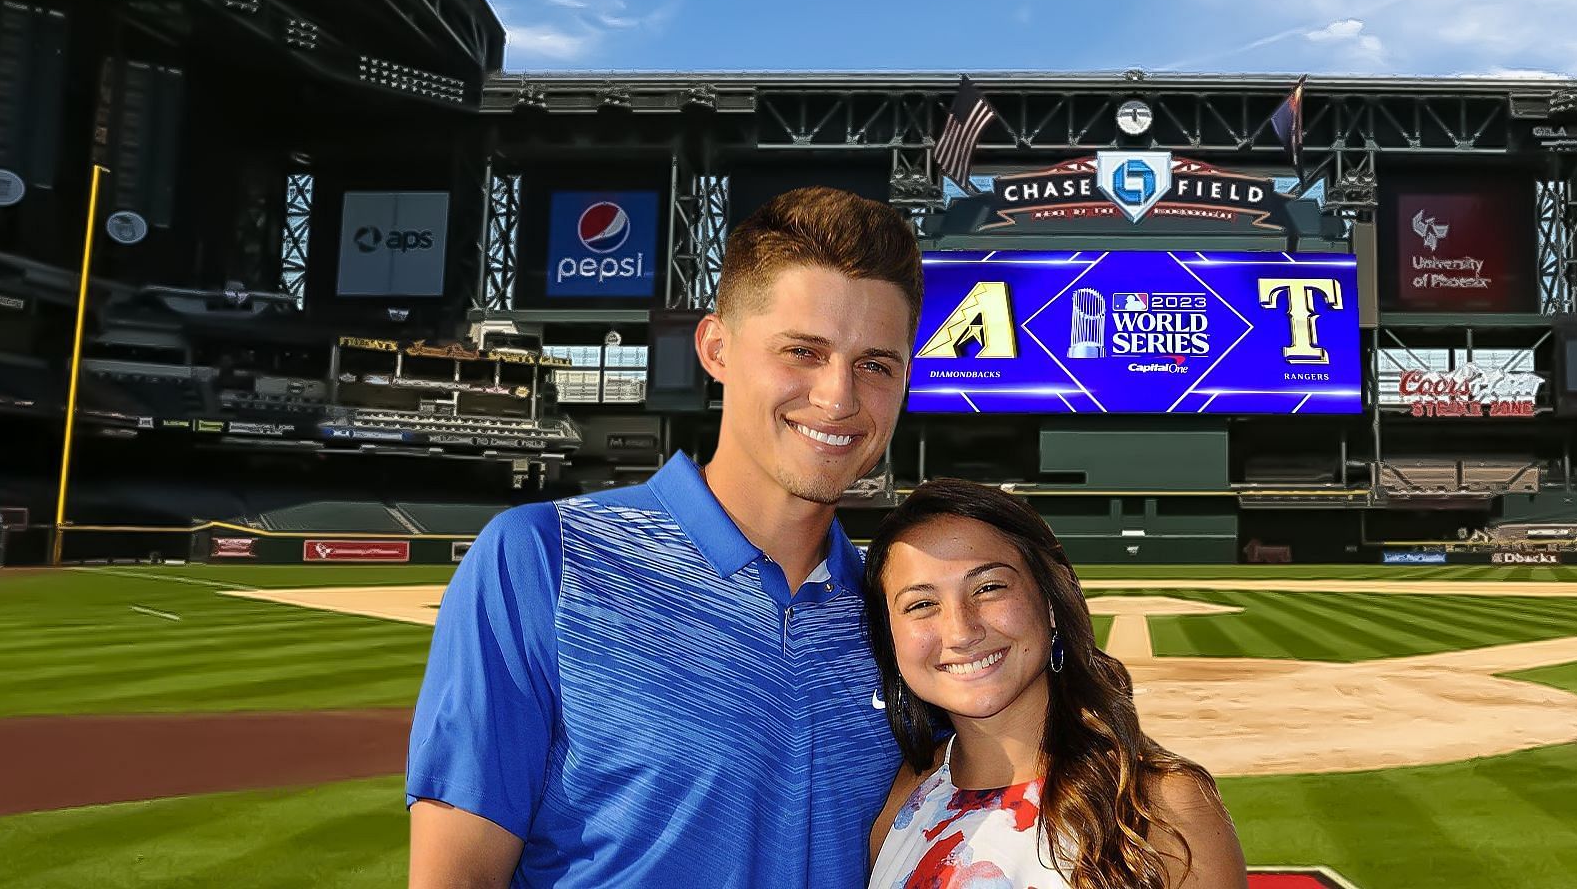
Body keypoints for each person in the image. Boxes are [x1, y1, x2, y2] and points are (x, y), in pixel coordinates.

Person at [407, 186, 923, 888]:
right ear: (715, 348)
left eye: (875, 364)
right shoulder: (542, 559)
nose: (838, 396)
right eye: (803, 352)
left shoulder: (903, 614)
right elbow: (456, 878)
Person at [864, 479, 1247, 889]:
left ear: (1049, 600)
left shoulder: (1161, 810)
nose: (960, 631)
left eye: (989, 587)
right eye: (921, 604)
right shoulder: (902, 799)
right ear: (890, 636)